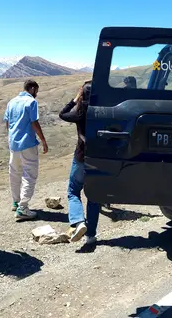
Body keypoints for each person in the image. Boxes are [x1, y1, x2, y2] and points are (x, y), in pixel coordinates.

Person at [59, 80, 100, 249]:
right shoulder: (102, 111)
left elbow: (63, 113)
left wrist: (76, 98)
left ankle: (78, 221)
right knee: (95, 196)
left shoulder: (79, 112)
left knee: (73, 191)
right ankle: (90, 236)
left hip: (81, 158)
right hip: (99, 160)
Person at [4, 79, 48, 222]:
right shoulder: (31, 102)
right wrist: (43, 140)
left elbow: (7, 122)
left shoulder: (11, 102)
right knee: (29, 174)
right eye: (37, 91)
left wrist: (12, 136)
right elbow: (34, 122)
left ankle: (16, 202)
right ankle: (23, 208)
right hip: (27, 143)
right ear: (33, 88)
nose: (37, 94)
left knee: (14, 173)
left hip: (13, 144)